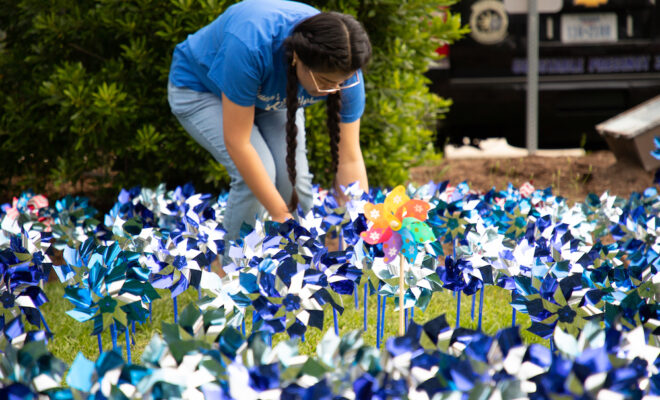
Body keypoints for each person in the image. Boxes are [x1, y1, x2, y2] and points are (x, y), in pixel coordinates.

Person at [167, 0, 371, 244]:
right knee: (256, 177)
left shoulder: (344, 66)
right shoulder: (251, 45)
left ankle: (296, 269)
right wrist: (281, 215)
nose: (333, 90)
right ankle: (233, 269)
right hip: (201, 90)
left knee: (295, 186)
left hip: (266, 96)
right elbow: (239, 143)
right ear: (297, 58)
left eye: (341, 83)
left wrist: (359, 229)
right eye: (325, 82)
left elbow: (349, 157)